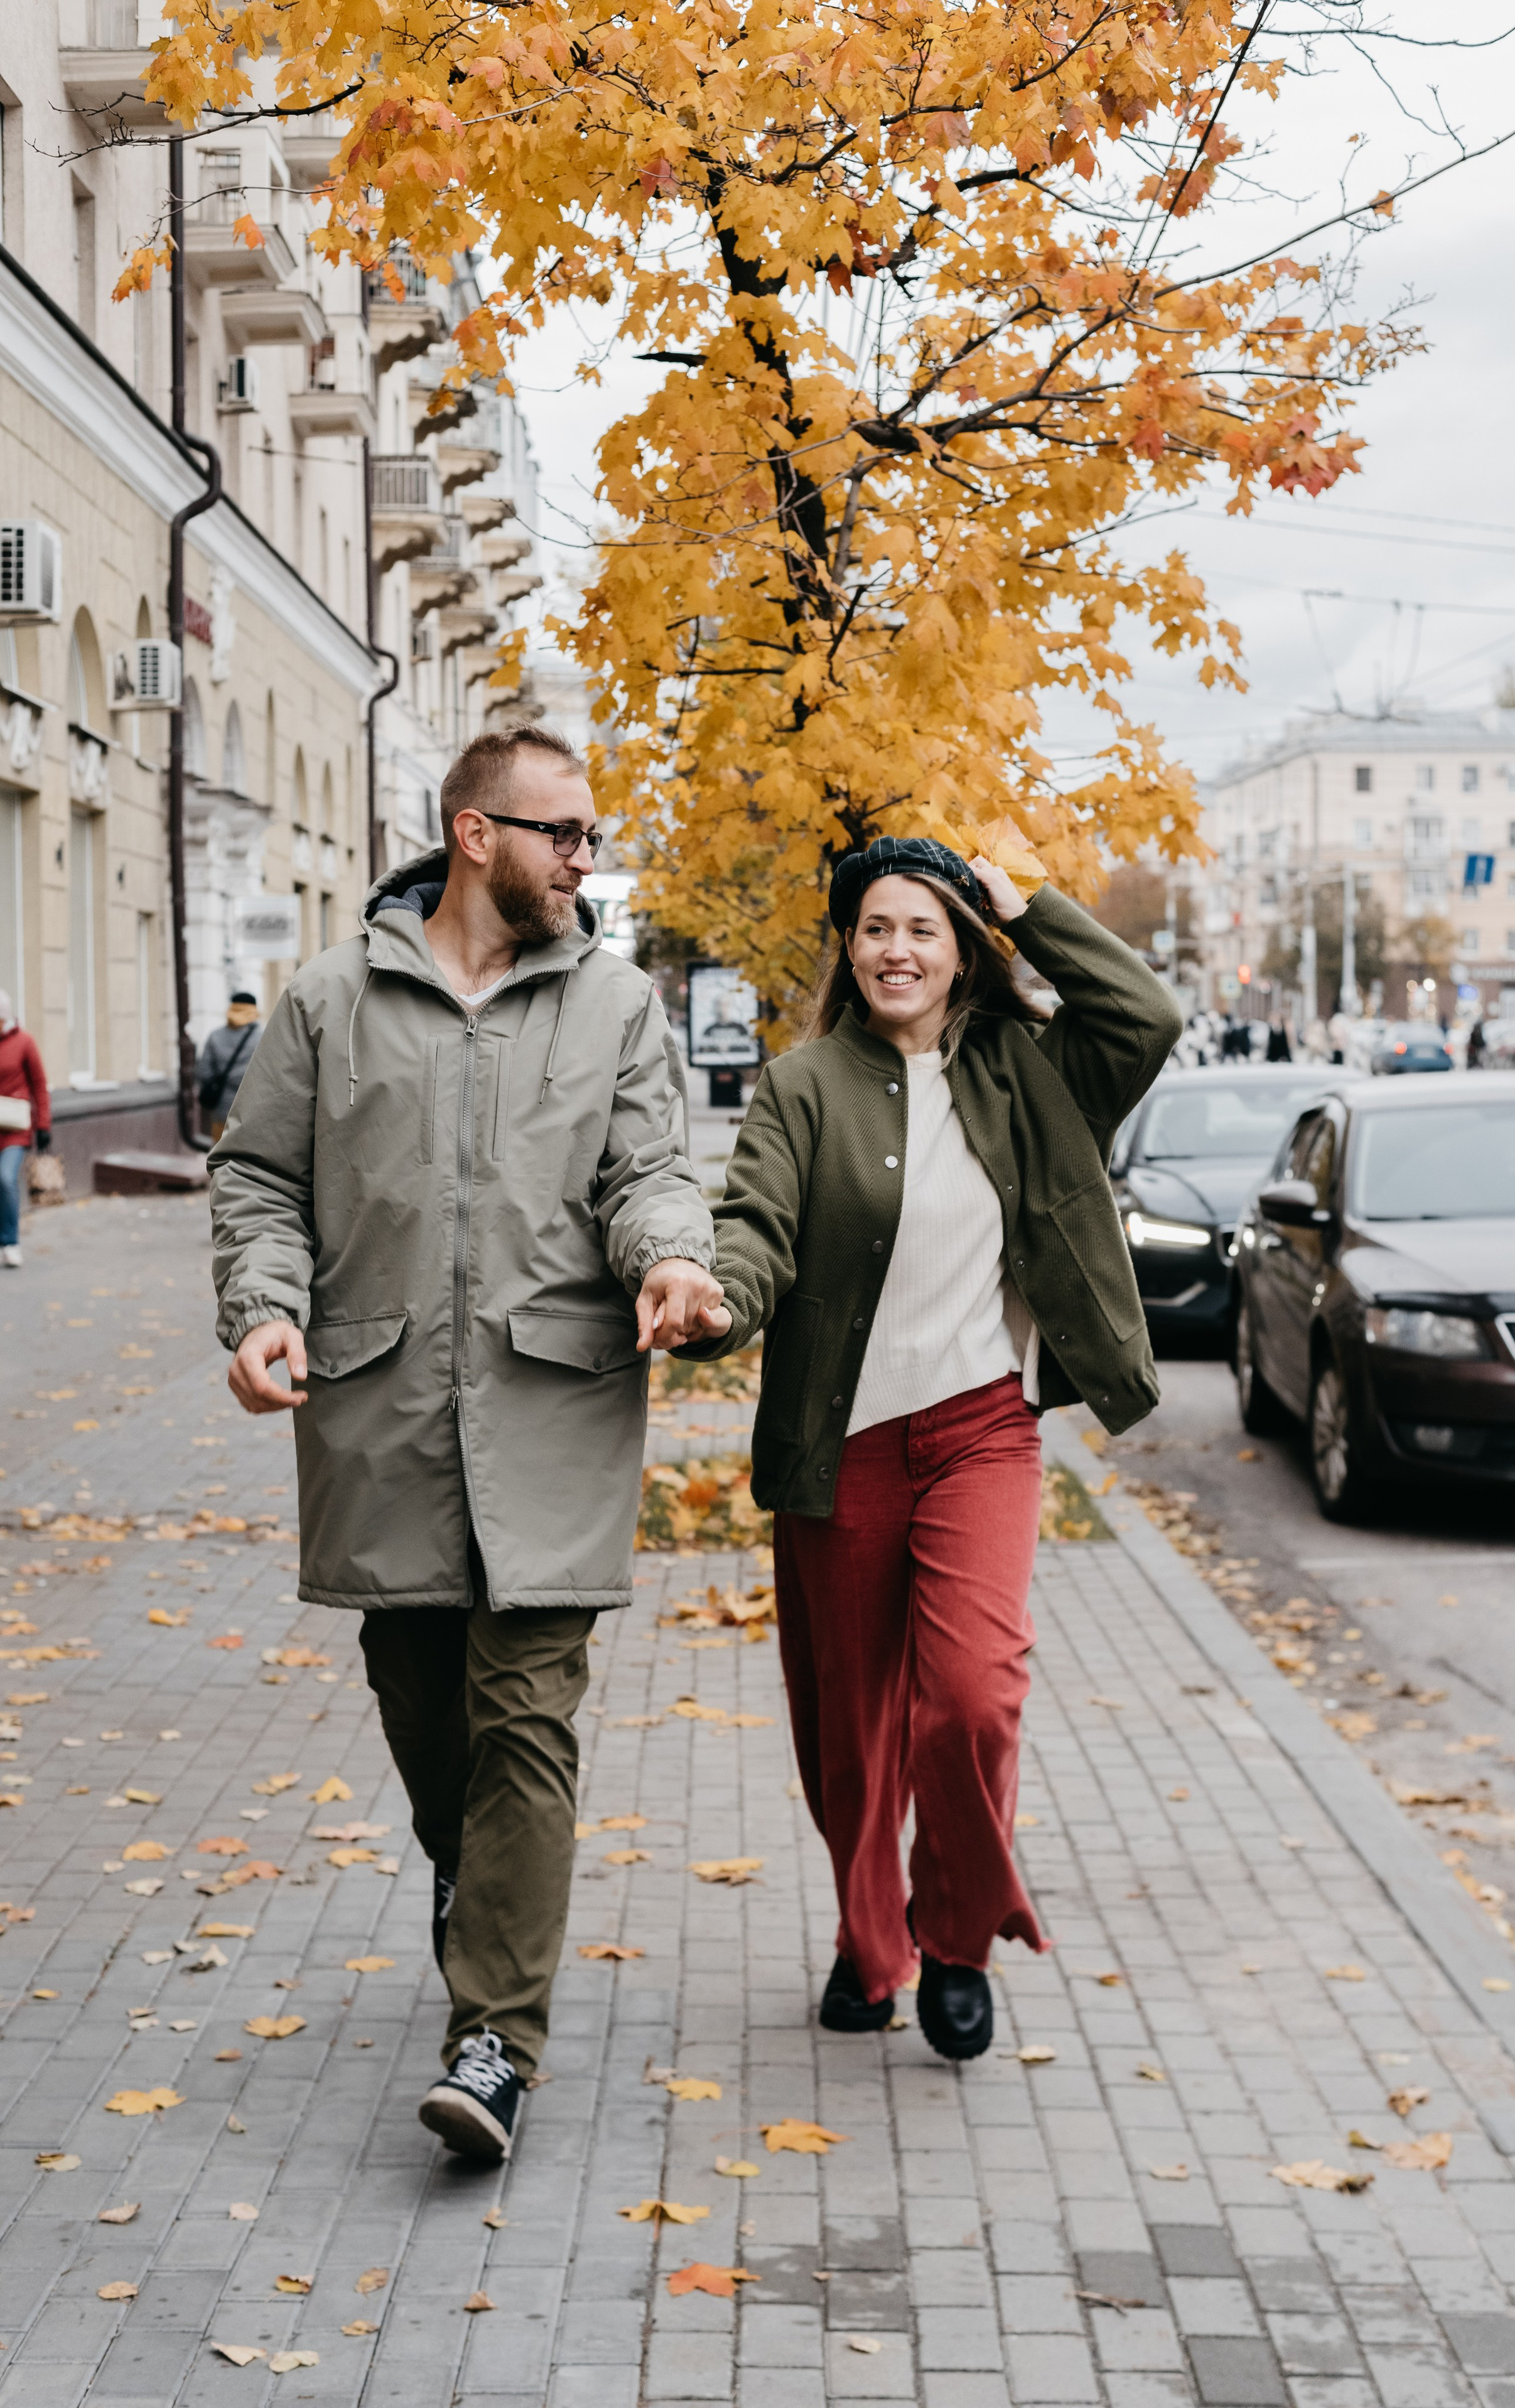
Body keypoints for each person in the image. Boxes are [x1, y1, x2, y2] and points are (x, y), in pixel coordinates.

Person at [209, 723, 726, 2163]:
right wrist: (259, 1310)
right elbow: (259, 1179)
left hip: (556, 1411)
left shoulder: (614, 1004)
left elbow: (650, 1175)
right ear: (473, 831)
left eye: (590, 834)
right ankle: (474, 1878)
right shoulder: (328, 1001)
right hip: (380, 1422)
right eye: (561, 831)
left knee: (526, 1720)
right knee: (428, 1710)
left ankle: (492, 2033)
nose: (584, 857)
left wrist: (671, 1261)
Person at [679, 837, 1180, 2060]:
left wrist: (1025, 907)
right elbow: (753, 1230)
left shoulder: (1031, 1071)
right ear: (845, 951)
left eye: (922, 928)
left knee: (967, 1704)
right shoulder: (802, 1087)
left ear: (961, 949)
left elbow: (1145, 1013)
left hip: (980, 1435)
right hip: (838, 1442)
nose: (895, 949)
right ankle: (869, 1946)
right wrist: (714, 1300)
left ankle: (952, 1935)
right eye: (872, 929)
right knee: (847, 1736)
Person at [0, 992, 50, 1268]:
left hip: (14, 1128)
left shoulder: (24, 1042)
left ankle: (10, 1243)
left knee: (6, 1179)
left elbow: (40, 1085)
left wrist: (43, 1125)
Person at [196, 991, 263, 1139]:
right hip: (252, 1110)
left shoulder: (215, 1036)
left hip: (222, 1108)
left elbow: (203, 1072)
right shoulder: (263, 1037)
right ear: (253, 1010)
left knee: (221, 1154)